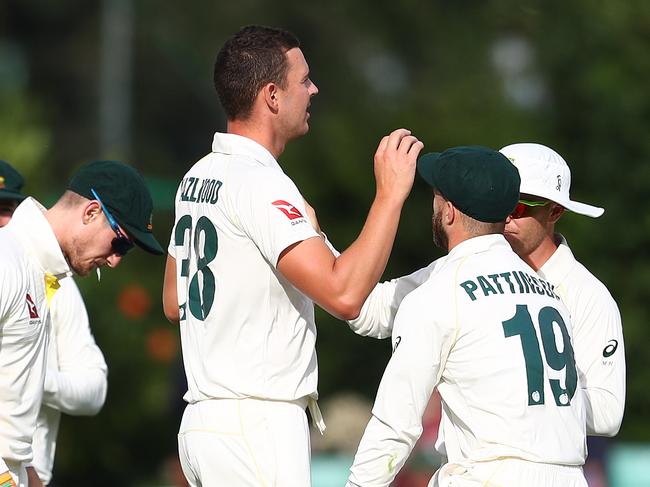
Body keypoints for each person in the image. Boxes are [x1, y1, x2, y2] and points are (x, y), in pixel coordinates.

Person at [162, 25, 423, 487]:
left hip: (202, 423)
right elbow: (343, 295)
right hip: (256, 426)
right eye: (303, 80)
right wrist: (390, 195)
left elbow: (172, 301)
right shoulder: (261, 183)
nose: (313, 89)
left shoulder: (197, 176)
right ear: (271, 96)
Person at [346, 146, 588, 487]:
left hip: (491, 475)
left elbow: (394, 425)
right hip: (570, 476)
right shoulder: (547, 289)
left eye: (436, 196)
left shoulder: (439, 293)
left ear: (449, 213)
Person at [0, 160, 163, 487]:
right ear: (90, 212)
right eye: (121, 242)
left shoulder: (41, 271)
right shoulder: (8, 259)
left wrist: (22, 473)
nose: (116, 260)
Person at [499, 142, 625, 438]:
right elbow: (368, 312)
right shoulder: (466, 269)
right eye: (498, 203)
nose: (505, 218)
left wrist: (508, 389)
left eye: (518, 207)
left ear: (555, 211)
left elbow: (607, 414)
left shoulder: (589, 295)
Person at [0, 160, 109, 486]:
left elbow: (95, 390)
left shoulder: (55, 283)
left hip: (25, 471)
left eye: (5, 208)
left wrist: (32, 376)